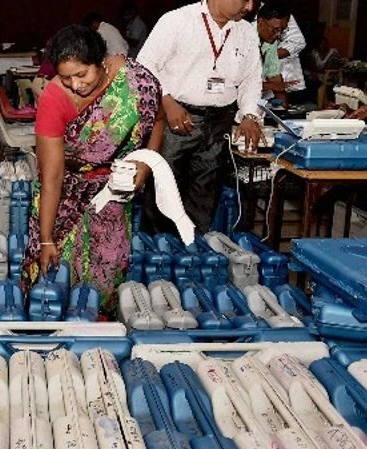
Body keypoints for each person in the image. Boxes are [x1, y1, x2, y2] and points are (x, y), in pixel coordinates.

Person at [20, 25, 165, 317]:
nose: (75, 85)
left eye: (82, 74)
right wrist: (47, 239)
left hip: (112, 192)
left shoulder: (134, 81)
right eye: (65, 77)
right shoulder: (54, 98)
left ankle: (100, 326)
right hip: (65, 195)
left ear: (101, 62)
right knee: (56, 275)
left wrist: (146, 163)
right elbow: (52, 177)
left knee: (107, 269)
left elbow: (159, 118)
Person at [137, 0, 263, 235]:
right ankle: (159, 256)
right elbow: (144, 67)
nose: (249, 7)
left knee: (205, 192)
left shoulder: (245, 31)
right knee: (164, 188)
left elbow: (252, 78)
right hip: (178, 118)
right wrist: (166, 101)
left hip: (219, 121)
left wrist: (248, 115)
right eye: (244, 0)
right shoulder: (176, 21)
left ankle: (193, 254)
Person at [257, 2, 296, 104]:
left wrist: (284, 111)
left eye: (282, 30)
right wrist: (270, 86)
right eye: (275, 29)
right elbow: (234, 83)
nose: (278, 35)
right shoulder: (242, 37)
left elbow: (274, 76)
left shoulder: (270, 41)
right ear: (261, 22)